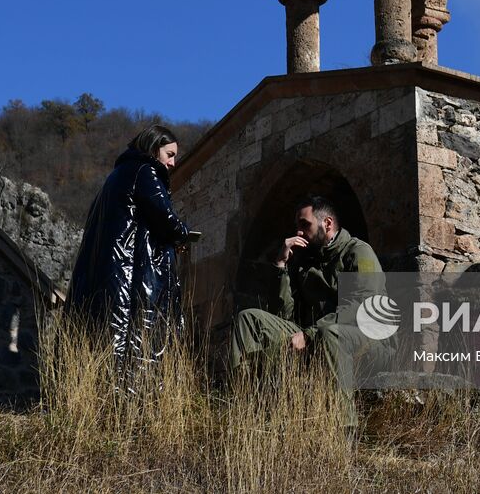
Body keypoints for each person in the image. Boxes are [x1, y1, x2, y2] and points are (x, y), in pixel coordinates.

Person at [228, 196, 384, 422]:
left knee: (330, 334)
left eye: (305, 225)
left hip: (369, 341)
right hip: (316, 335)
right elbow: (282, 317)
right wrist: (281, 266)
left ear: (327, 224)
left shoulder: (359, 252)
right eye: (297, 227)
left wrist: (309, 333)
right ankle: (245, 409)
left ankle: (343, 432)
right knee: (249, 319)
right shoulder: (303, 262)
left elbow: (364, 307)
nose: (299, 233)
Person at [65, 124, 191, 378]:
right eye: (170, 154)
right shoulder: (146, 171)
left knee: (105, 345)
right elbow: (165, 217)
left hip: (110, 275)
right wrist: (184, 234)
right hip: (131, 276)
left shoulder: (115, 177)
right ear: (155, 150)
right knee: (134, 350)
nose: (173, 163)